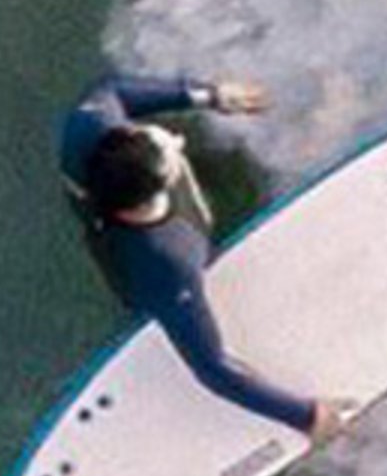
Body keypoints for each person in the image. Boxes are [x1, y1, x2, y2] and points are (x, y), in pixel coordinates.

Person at [58, 70, 352, 441]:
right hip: (152, 268)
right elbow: (213, 371)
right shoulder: (166, 267)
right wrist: (307, 417)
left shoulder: (86, 126)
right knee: (180, 314)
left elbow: (112, 89)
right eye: (168, 154)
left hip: (130, 210)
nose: (174, 140)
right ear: (159, 187)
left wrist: (209, 96)